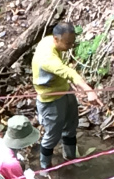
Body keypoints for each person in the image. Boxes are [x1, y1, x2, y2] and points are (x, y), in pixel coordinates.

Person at [32, 21, 103, 169]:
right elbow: (69, 73)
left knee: (71, 126)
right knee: (52, 136)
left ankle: (70, 157)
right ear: (56, 39)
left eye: (72, 42)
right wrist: (89, 91)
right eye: (68, 43)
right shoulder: (47, 59)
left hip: (64, 91)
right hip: (50, 100)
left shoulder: (49, 41)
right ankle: (46, 168)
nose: (71, 46)